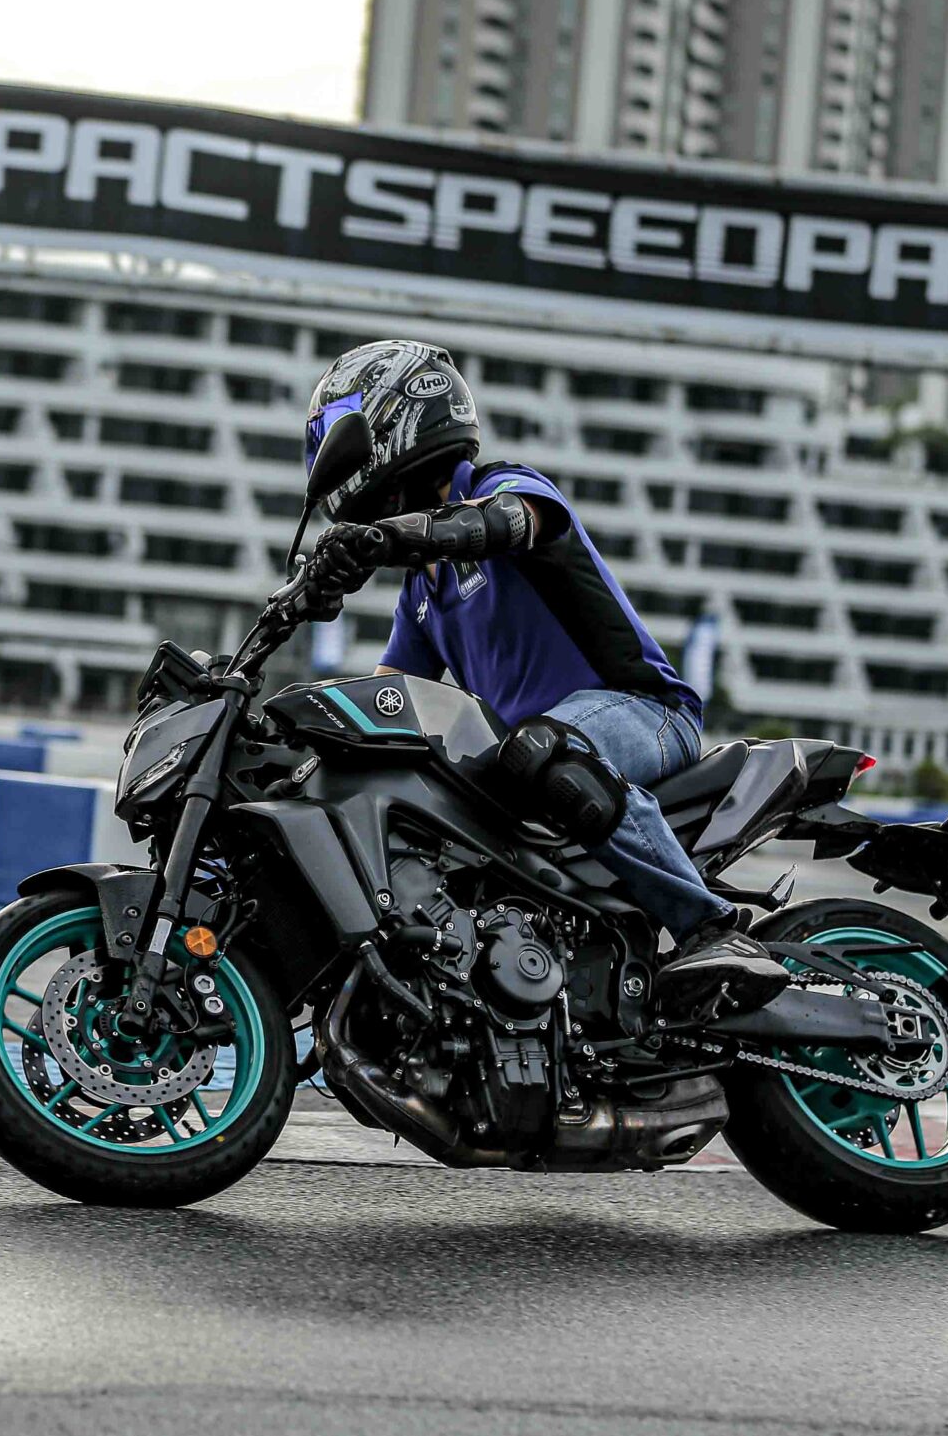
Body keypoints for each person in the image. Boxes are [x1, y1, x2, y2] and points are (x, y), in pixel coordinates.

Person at [294, 338, 787, 1018]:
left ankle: (712, 928)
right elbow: (381, 703)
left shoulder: (503, 487)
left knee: (539, 749)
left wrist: (393, 538)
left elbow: (507, 523)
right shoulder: (422, 596)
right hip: (539, 761)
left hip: (645, 712)